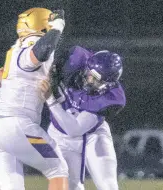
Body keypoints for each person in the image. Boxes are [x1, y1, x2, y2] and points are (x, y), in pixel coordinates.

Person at [0, 7, 69, 190]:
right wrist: (58, 27)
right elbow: (40, 52)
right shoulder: (31, 46)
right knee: (58, 169)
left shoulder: (15, 49)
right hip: (17, 128)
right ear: (43, 25)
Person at [42, 46, 126, 190]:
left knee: (108, 185)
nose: (89, 79)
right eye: (89, 73)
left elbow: (74, 129)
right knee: (68, 187)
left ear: (109, 84)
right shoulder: (74, 61)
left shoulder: (111, 98)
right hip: (59, 136)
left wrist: (51, 100)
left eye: (96, 79)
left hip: (93, 136)